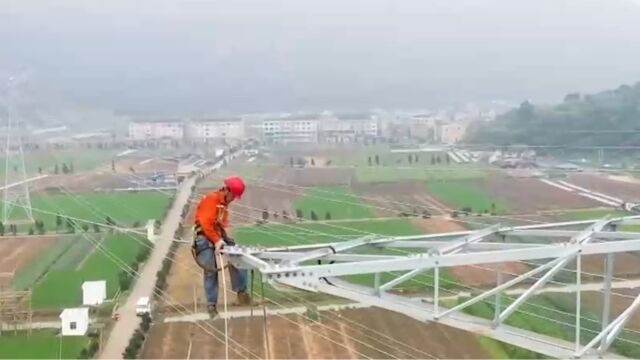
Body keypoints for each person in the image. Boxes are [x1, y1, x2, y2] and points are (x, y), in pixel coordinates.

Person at [193, 176, 250, 318]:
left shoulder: (223, 206)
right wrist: (217, 240)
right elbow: (206, 224)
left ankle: (242, 292)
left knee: (238, 255)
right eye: (234, 196)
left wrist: (224, 240)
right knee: (211, 270)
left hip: (216, 235)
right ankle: (211, 306)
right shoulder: (211, 200)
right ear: (228, 191)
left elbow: (219, 225)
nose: (233, 199)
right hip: (203, 238)